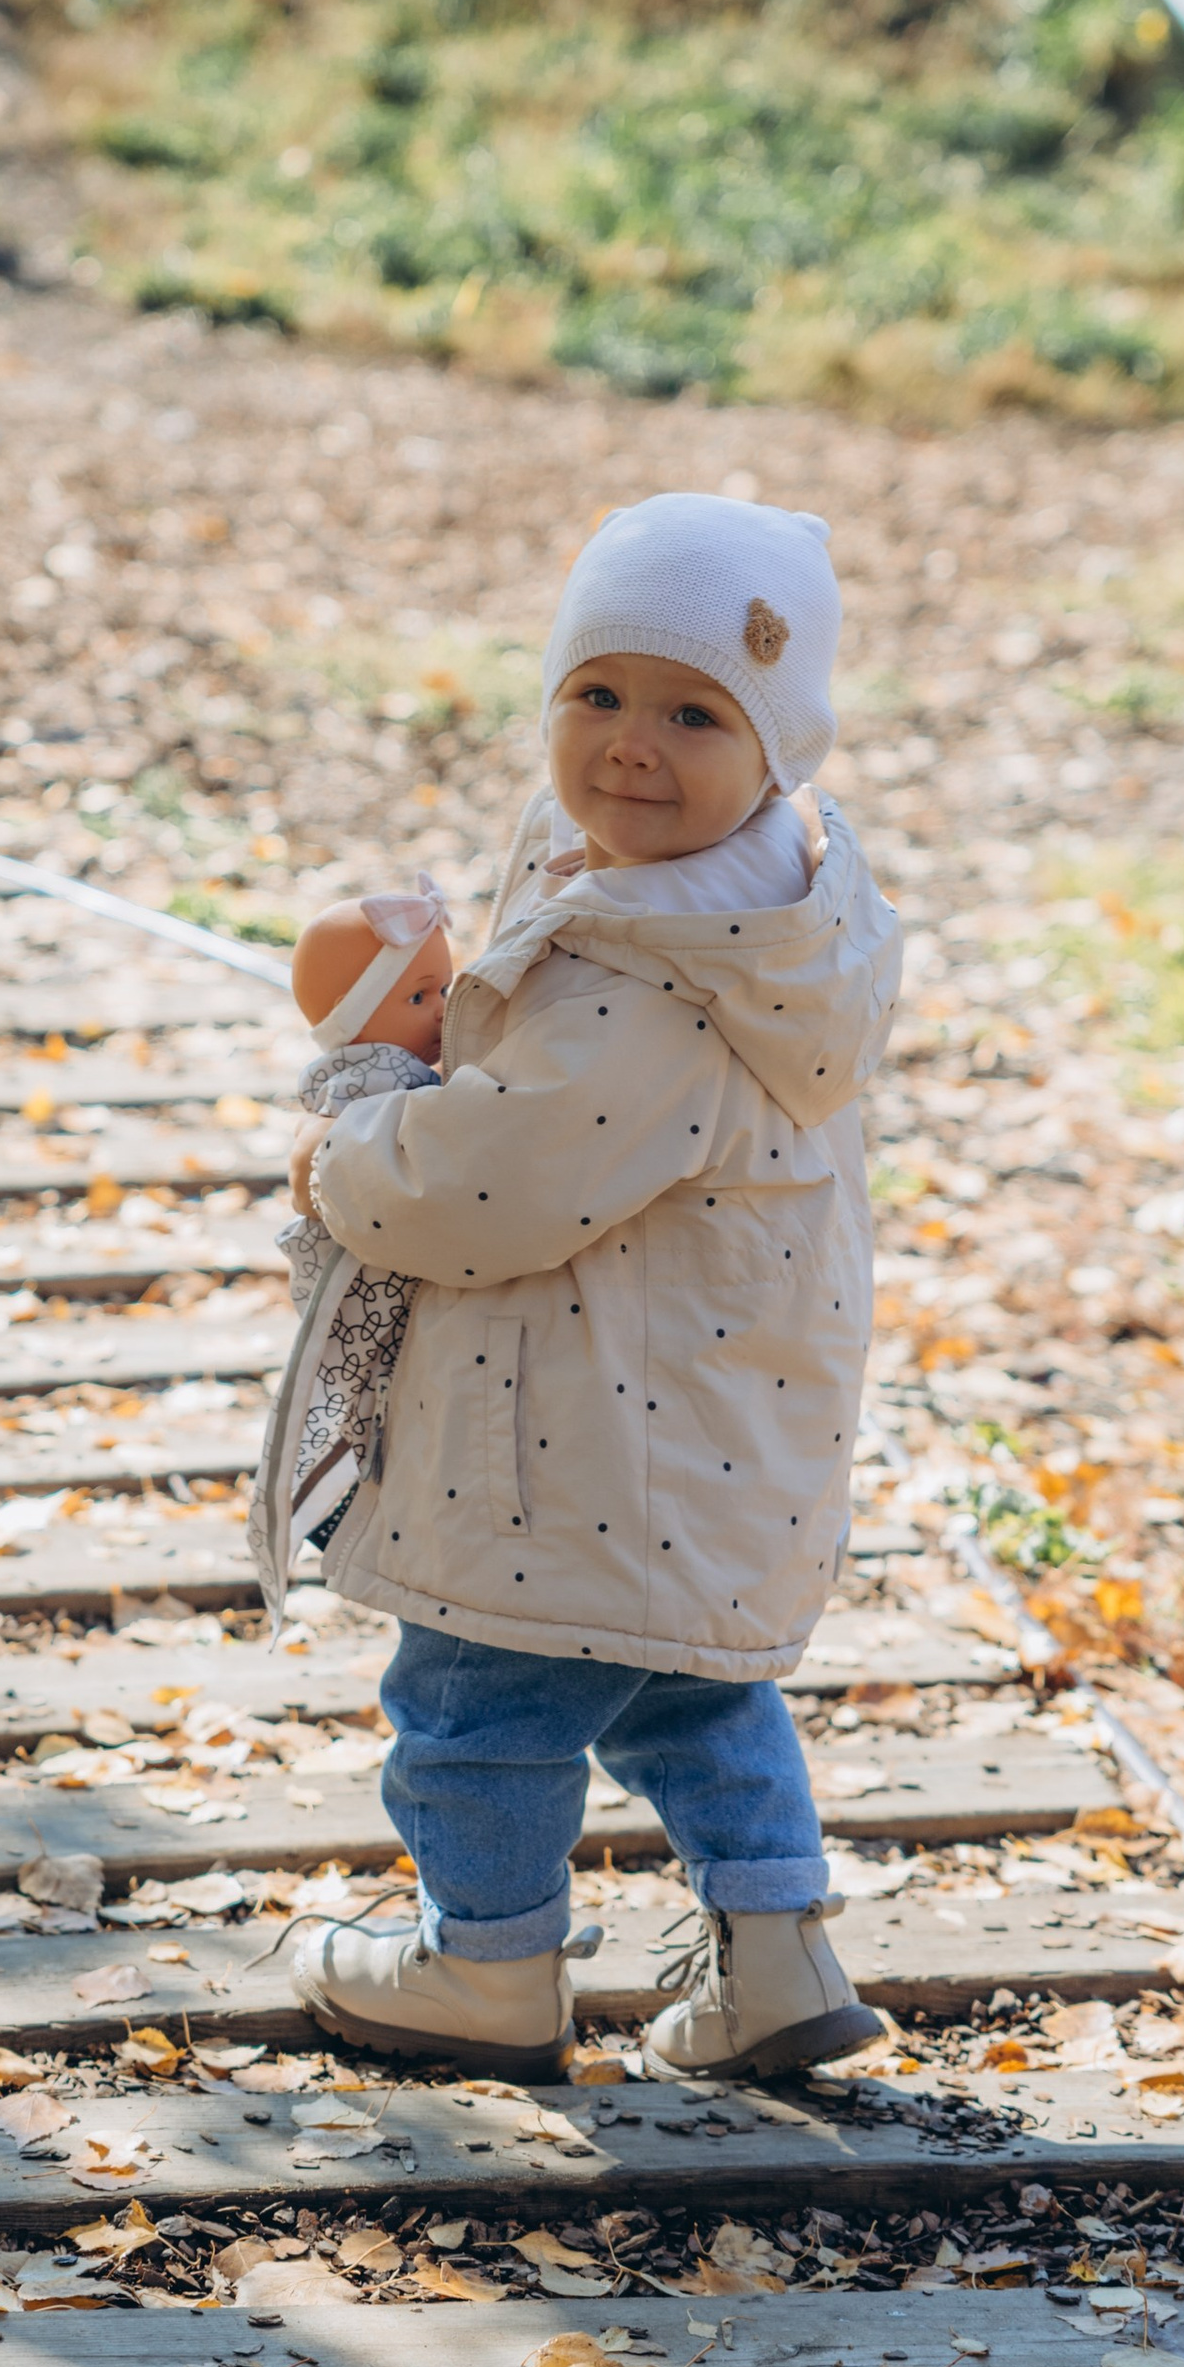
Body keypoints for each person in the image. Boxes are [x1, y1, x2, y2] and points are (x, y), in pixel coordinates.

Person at [279, 491, 903, 2084]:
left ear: (782, 748)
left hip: (573, 1443)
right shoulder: (748, 912)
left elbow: (489, 1185)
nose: (633, 744)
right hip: (695, 1422)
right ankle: (777, 1954)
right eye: (598, 695)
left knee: (474, 1699)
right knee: (688, 1694)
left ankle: (484, 1967)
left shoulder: (658, 980)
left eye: (697, 713)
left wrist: (359, 1134)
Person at [248, 874, 451, 1619]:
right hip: (366, 1269)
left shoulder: (383, 1073)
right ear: (359, 1017)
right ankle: (345, 1500)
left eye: (446, 990)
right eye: (418, 997)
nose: (442, 1011)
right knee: (365, 1387)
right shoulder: (383, 1082)